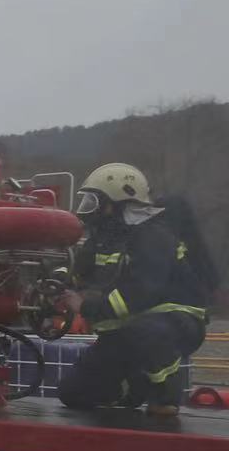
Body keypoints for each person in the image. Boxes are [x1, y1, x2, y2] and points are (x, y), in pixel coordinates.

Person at [57, 165, 214, 415]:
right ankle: (129, 388)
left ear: (117, 203)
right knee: (73, 393)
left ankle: (165, 398)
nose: (89, 208)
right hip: (126, 329)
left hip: (176, 322)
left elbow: (137, 295)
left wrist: (85, 306)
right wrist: (56, 287)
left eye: (95, 201)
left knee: (146, 331)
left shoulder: (153, 237)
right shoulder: (101, 239)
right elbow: (79, 275)